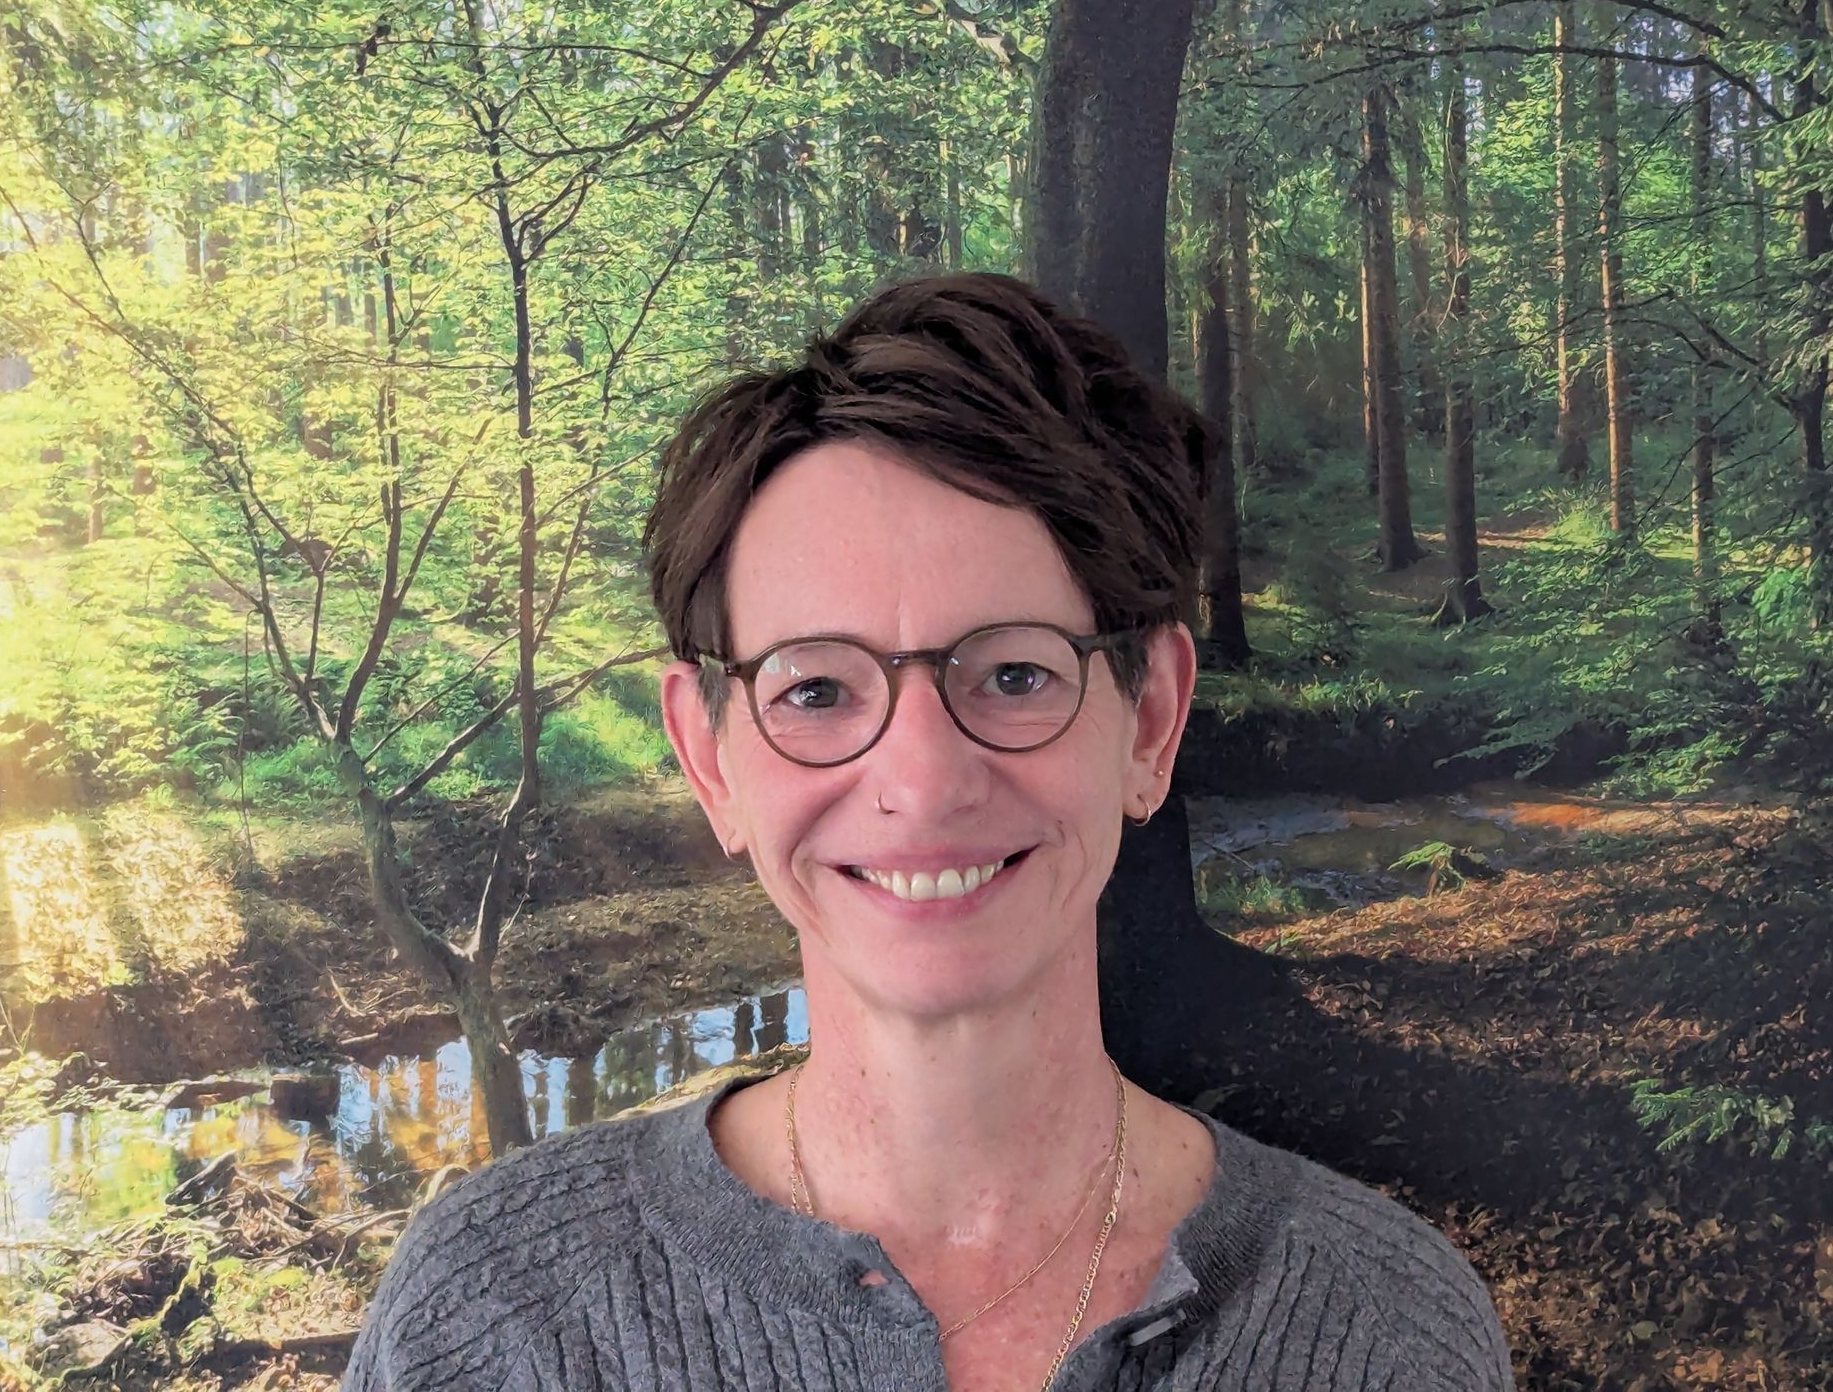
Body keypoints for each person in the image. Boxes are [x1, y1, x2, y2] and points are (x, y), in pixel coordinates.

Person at [342, 272, 1515, 1391]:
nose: (922, 779)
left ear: (1150, 720)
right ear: (709, 758)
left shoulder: (1393, 1333)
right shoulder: (491, 1314)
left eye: (1014, 674)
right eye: (814, 689)